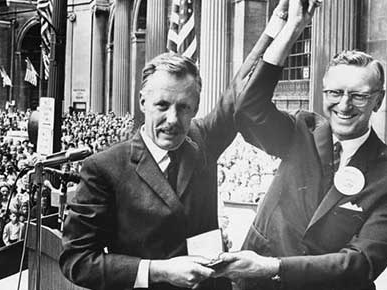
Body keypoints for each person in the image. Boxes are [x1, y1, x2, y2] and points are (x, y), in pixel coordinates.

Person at [58, 12, 285, 286]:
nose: (173, 120)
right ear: (143, 101)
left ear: (196, 109)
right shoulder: (104, 167)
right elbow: (77, 261)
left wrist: (283, 23)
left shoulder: (201, 139)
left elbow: (242, 85)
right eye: (162, 106)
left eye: (184, 107)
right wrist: (159, 271)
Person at [213, 1, 387, 290]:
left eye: (359, 96)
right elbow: (247, 110)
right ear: (323, 92)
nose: (344, 105)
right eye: (335, 93)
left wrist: (274, 267)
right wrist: (293, 28)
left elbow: (361, 262)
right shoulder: (303, 131)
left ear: (378, 100)